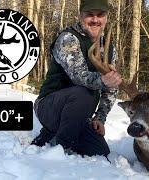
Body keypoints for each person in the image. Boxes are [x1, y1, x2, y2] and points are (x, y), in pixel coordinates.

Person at [31, 0, 122, 157]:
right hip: (49, 107)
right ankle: (59, 148)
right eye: (89, 15)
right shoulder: (68, 38)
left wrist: (100, 117)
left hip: (78, 114)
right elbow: (79, 76)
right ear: (80, 15)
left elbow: (111, 87)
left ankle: (49, 135)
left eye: (100, 15)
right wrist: (104, 80)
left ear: (106, 17)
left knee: (100, 150)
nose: (95, 20)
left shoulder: (108, 48)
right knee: (84, 93)